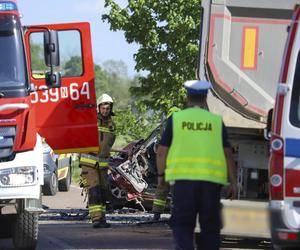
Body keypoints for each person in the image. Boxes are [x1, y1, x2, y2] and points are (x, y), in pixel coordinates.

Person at [156, 80, 237, 250]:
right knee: (210, 227)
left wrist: (161, 177)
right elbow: (227, 154)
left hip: (183, 182)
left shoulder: (176, 120)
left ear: (187, 97)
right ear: (206, 97)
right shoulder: (215, 121)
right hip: (211, 183)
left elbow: (162, 151)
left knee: (182, 225)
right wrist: (233, 182)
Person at [79, 93, 116, 228]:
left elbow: (109, 143)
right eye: (103, 108)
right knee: (94, 189)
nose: (105, 111)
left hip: (102, 164)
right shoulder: (90, 121)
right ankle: (96, 219)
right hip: (89, 162)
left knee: (103, 191)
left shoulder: (112, 125)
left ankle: (103, 219)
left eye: (107, 108)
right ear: (98, 108)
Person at [151, 106, 181, 221]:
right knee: (176, 190)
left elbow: (160, 146)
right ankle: (175, 215)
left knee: (162, 188)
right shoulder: (182, 126)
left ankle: (156, 215)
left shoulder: (166, 126)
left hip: (166, 162)